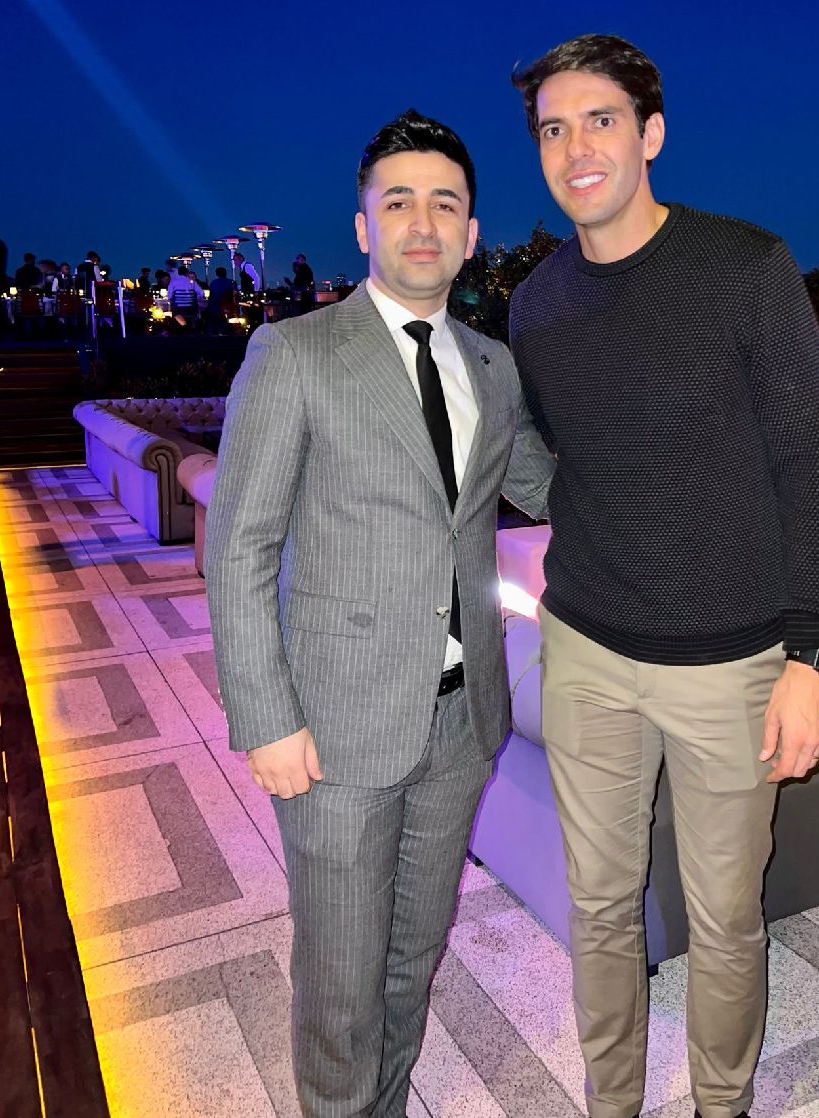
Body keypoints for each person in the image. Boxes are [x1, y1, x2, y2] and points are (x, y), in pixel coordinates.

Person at [508, 34, 819, 1118]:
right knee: (600, 908)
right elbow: (561, 457)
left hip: (731, 664)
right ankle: (610, 1102)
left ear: (650, 133)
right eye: (553, 129)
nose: (576, 149)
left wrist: (811, 654)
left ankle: (720, 1104)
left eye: (600, 120)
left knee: (725, 919)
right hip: (586, 649)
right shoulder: (535, 307)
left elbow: (806, 465)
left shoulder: (745, 268)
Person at [204, 108, 554, 1117]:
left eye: (444, 204)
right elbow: (238, 546)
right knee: (341, 980)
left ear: (471, 232)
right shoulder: (296, 352)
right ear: (364, 226)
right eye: (398, 202)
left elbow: (546, 484)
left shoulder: (490, 365)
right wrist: (266, 719)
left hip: (459, 718)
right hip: (334, 724)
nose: (422, 223)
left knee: (412, 954)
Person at [205, 266, 234, 333]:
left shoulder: (213, 283)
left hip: (215, 306)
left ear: (217, 274)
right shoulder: (231, 282)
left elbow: (211, 296)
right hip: (228, 305)